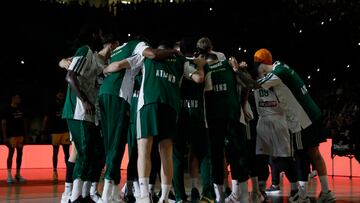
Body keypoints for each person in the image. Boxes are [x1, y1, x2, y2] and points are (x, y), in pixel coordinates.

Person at [98, 36, 179, 203]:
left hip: (105, 94)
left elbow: (116, 65)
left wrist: (105, 70)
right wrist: (172, 52)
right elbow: (150, 54)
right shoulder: (140, 50)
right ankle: (108, 195)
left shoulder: (119, 51)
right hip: (120, 97)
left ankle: (113, 192)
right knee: (121, 146)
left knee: (112, 144)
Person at [253, 48, 336, 203]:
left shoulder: (275, 75)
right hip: (313, 114)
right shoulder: (281, 66)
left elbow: (254, 85)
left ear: (262, 65)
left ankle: (303, 196)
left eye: (257, 67)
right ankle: (326, 192)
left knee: (301, 156)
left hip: (301, 119)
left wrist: (238, 71)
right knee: (314, 154)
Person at [62, 24, 112, 203]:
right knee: (82, 152)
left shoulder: (93, 56)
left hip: (90, 111)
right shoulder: (84, 50)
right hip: (78, 110)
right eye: (99, 33)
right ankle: (73, 196)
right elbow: (70, 76)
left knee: (92, 153)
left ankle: (84, 195)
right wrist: (84, 100)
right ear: (93, 35)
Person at [204, 53, 249, 203]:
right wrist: (242, 104)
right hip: (233, 117)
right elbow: (248, 85)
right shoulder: (228, 66)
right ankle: (241, 195)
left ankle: (220, 197)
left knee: (216, 157)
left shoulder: (204, 68)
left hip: (213, 120)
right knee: (237, 155)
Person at [172, 38, 213, 203]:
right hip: (197, 114)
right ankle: (208, 194)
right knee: (204, 155)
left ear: (180, 50)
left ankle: (180, 196)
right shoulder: (202, 64)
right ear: (195, 50)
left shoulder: (176, 63)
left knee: (176, 156)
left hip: (178, 115)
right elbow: (208, 89)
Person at [42, 90, 70, 183]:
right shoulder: (51, 106)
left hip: (65, 131)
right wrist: (44, 130)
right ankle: (54, 172)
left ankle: (69, 172)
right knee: (55, 152)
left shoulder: (66, 104)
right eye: (59, 94)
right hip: (55, 132)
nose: (61, 95)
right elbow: (46, 118)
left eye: (62, 94)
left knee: (67, 153)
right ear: (56, 95)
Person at [1, 93, 27, 183]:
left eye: (19, 97)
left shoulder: (21, 109)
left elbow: (23, 122)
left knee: (20, 154)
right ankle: (9, 175)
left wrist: (25, 135)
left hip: (20, 136)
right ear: (13, 98)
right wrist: (4, 137)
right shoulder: (7, 109)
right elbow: (3, 123)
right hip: (11, 135)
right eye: (17, 97)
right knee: (11, 153)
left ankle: (18, 174)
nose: (19, 99)